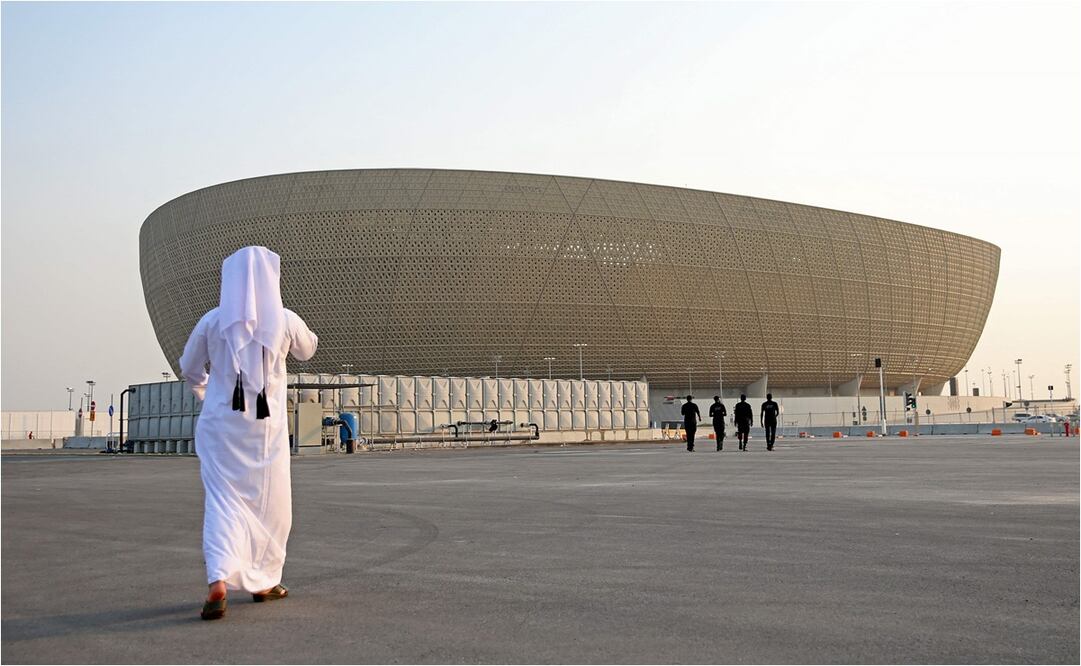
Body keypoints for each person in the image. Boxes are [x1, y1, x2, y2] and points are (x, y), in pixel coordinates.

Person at [179, 246, 318, 621]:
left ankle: (218, 583)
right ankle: (264, 582)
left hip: (221, 428)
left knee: (223, 503)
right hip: (265, 432)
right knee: (271, 506)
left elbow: (189, 366)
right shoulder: (285, 320)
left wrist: (209, 394)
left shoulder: (212, 321)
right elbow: (308, 349)